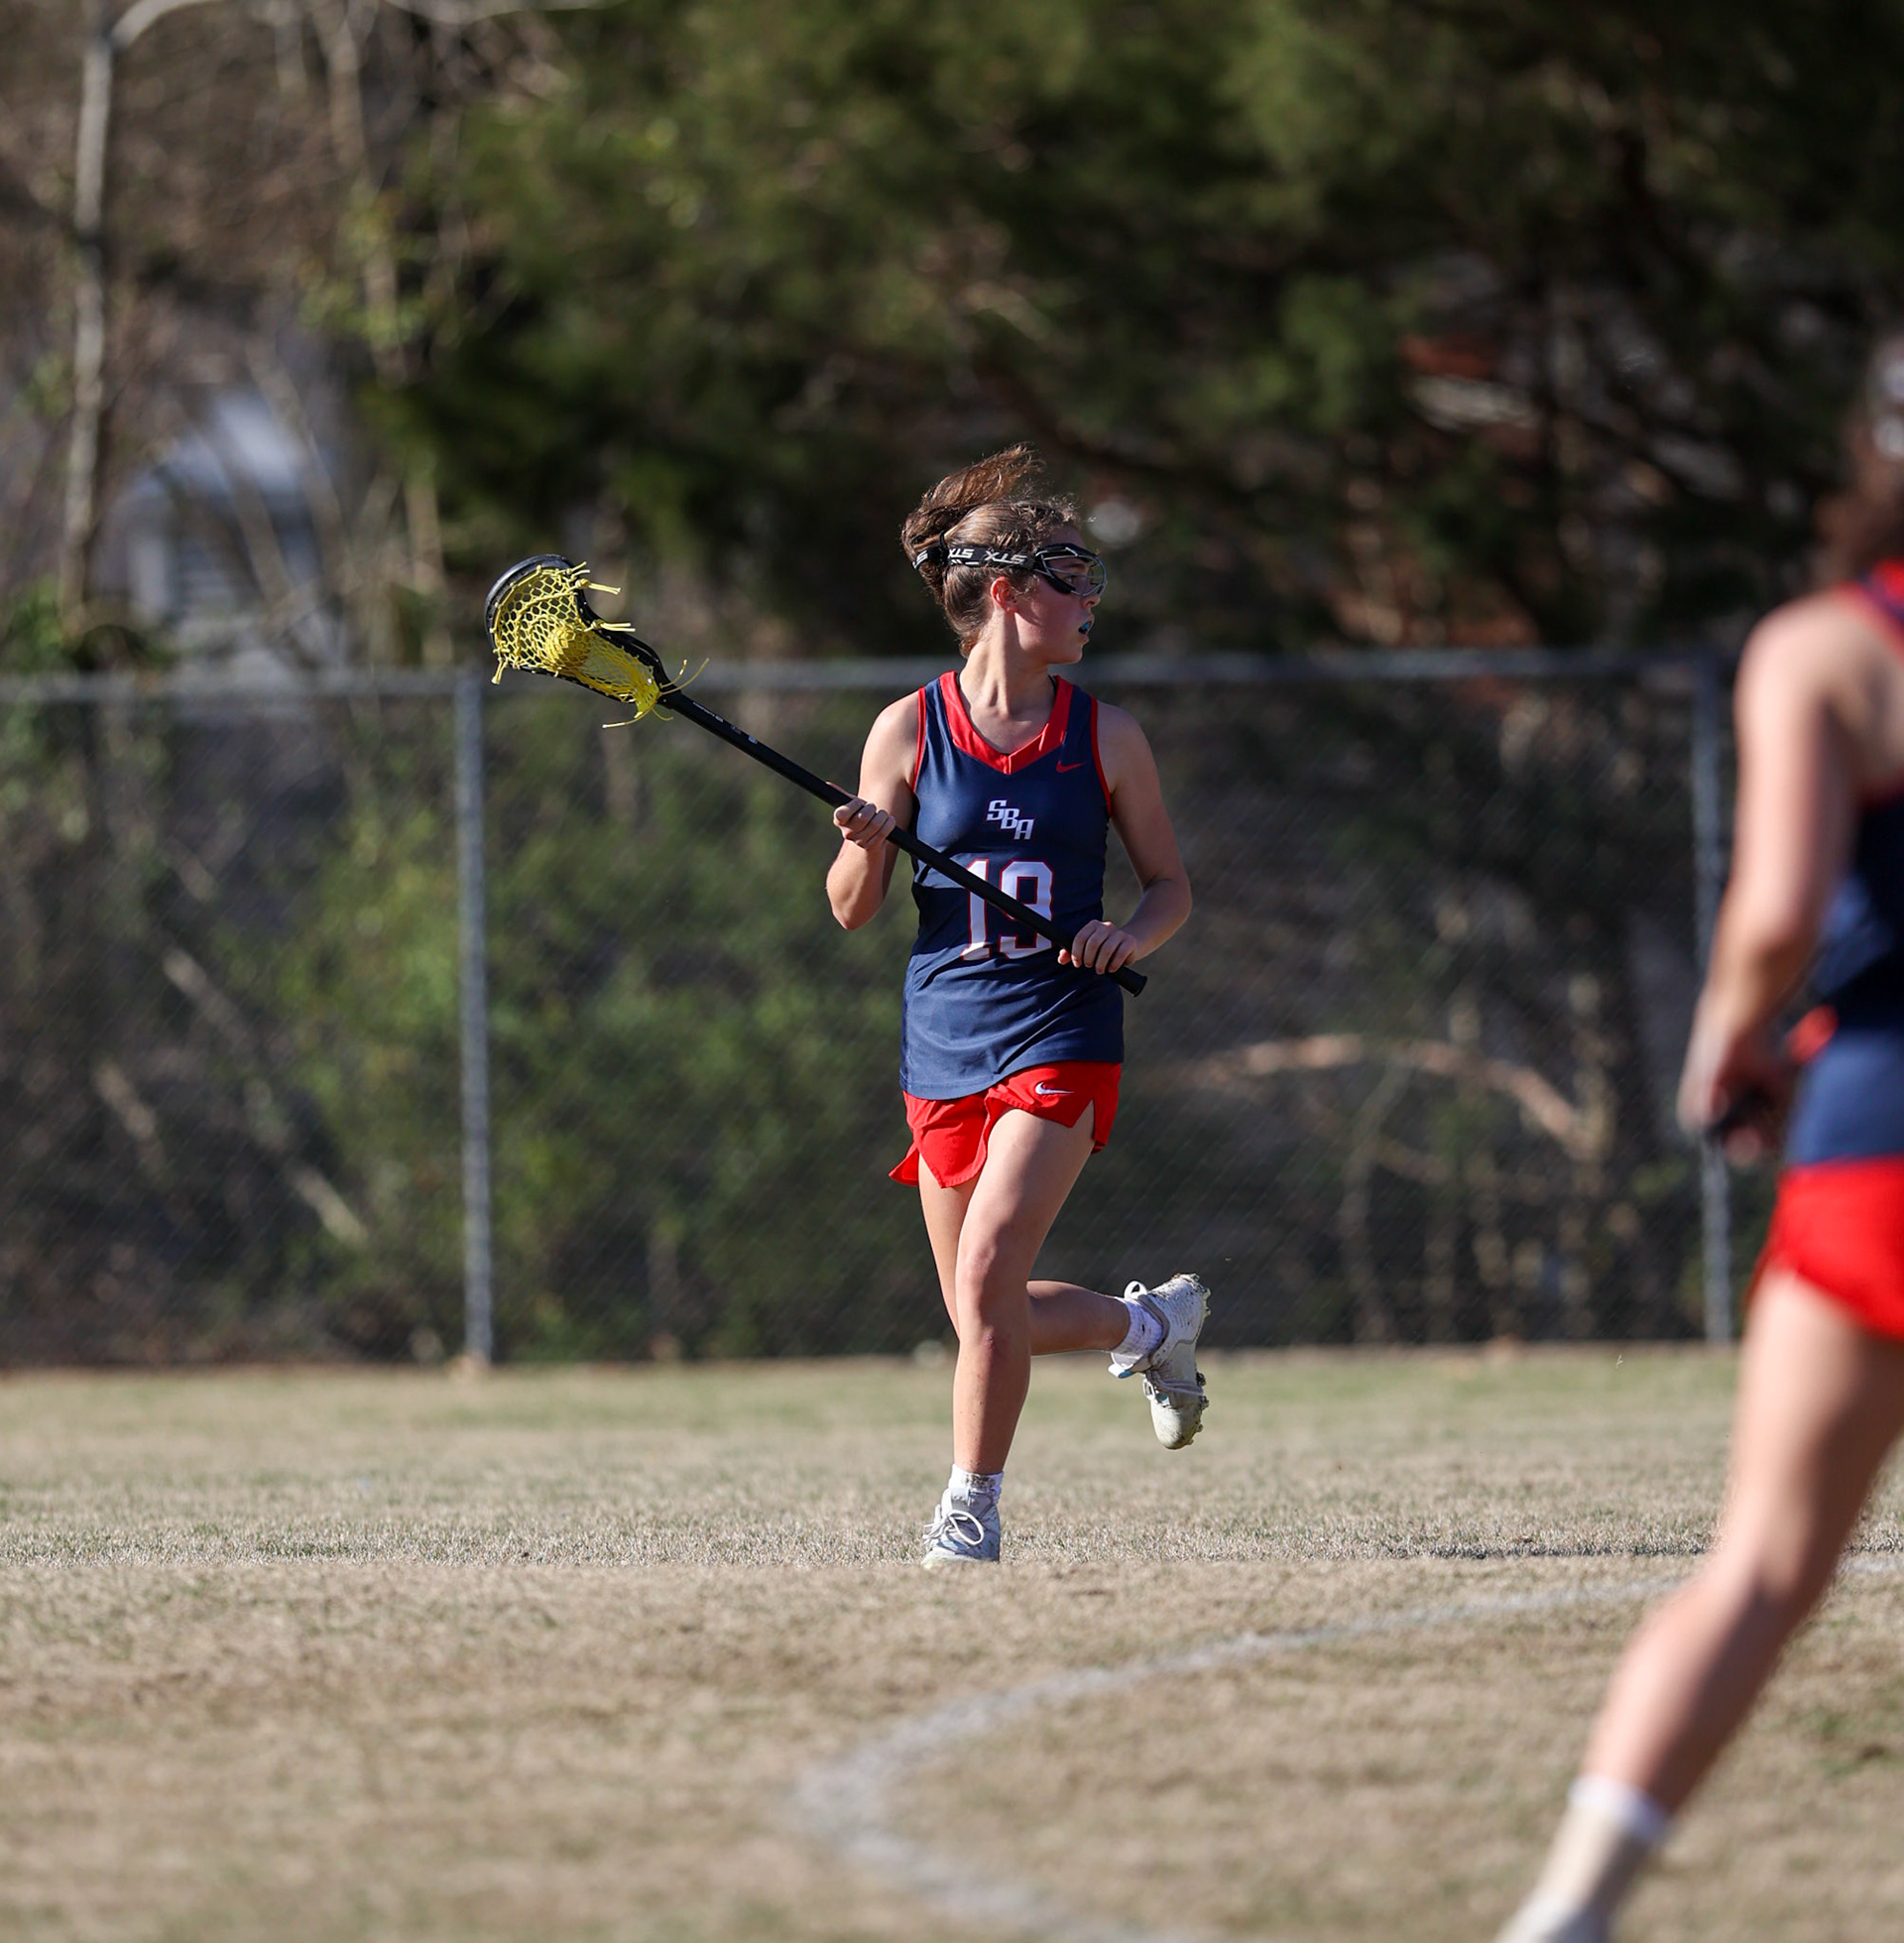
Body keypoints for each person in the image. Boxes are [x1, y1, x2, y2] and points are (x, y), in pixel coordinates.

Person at [1496, 333, 1904, 1941]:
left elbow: (1779, 911)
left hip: (1878, 1136)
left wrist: (1730, 1039)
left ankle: (1572, 1911)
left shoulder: (1827, 647)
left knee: (1760, 1567)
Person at [826, 446, 1201, 1568]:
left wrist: (1129, 935)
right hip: (945, 1038)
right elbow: (850, 911)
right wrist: (865, 845)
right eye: (1069, 577)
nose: (1091, 600)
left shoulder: (1107, 735)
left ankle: (969, 1509)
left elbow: (1171, 887)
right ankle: (1153, 1325)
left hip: (1062, 1027)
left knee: (989, 1273)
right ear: (1005, 592)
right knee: (982, 1314)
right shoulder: (906, 730)